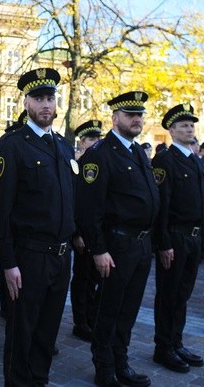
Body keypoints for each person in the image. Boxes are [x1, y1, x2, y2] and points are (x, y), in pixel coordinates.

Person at [0, 68, 77, 386]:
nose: (45, 104)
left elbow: (70, 199)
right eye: (38, 98)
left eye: (50, 98)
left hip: (60, 256)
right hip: (29, 256)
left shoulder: (65, 147)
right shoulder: (11, 146)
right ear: (25, 102)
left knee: (47, 331)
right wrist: (9, 263)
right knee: (21, 332)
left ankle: (38, 380)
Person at [76, 91, 159, 387]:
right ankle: (104, 368)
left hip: (140, 245)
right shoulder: (99, 153)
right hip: (116, 246)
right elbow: (89, 208)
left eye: (140, 115)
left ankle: (121, 362)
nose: (137, 120)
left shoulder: (138, 152)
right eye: (130, 115)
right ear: (115, 118)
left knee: (129, 309)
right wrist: (98, 249)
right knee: (108, 309)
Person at [151, 104, 204, 373]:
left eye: (191, 125)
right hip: (175, 237)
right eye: (184, 125)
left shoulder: (195, 160)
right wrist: (163, 243)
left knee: (183, 294)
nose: (190, 129)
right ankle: (163, 348)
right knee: (169, 295)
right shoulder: (165, 160)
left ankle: (176, 342)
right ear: (171, 130)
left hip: (194, 238)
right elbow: (161, 207)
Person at [69, 120, 103, 342]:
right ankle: (80, 322)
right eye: (91, 139)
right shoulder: (75, 165)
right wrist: (76, 234)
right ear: (81, 141)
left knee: (94, 278)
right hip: (82, 233)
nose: (95, 143)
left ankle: (91, 318)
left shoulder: (100, 163)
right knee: (82, 279)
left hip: (98, 232)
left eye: (97, 139)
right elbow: (74, 203)